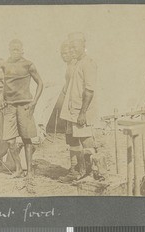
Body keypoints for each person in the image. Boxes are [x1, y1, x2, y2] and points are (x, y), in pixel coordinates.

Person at [1, 39, 43, 179]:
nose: (15, 52)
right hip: (9, 105)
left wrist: (34, 102)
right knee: (10, 141)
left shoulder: (28, 64)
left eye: (17, 49)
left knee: (26, 139)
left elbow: (40, 83)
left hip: (24, 105)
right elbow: (4, 84)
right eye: (12, 49)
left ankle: (30, 171)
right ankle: (18, 169)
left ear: (22, 50)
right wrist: (3, 99)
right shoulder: (5, 65)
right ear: (9, 50)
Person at [59, 32, 98, 183]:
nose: (72, 50)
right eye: (71, 47)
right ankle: (75, 171)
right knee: (72, 140)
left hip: (80, 110)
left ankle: (92, 172)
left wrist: (83, 113)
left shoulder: (88, 63)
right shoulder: (75, 63)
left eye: (75, 47)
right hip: (71, 109)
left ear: (83, 46)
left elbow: (89, 90)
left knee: (86, 140)